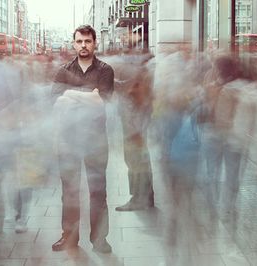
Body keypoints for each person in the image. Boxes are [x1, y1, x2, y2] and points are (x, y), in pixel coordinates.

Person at [51, 25, 114, 253]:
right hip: (68, 140)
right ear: (74, 43)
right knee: (69, 191)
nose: (83, 45)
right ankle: (69, 237)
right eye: (79, 41)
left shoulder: (106, 70)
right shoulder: (63, 70)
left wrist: (70, 94)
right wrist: (88, 95)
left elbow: (101, 101)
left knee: (98, 190)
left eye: (87, 41)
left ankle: (99, 239)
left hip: (96, 141)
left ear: (94, 43)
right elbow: (55, 102)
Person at [114, 53, 155, 211]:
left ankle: (139, 199)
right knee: (140, 164)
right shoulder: (140, 81)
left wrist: (135, 133)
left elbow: (133, 100)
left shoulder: (139, 85)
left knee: (136, 165)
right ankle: (146, 197)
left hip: (134, 132)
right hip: (135, 131)